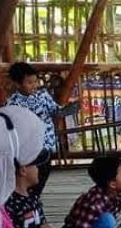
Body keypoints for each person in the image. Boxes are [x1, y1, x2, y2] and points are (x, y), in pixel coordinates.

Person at [5, 62, 77, 196]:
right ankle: (30, 200)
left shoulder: (42, 95)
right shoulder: (12, 104)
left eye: (35, 81)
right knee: (30, 179)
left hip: (47, 144)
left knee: (42, 176)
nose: (34, 86)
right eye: (29, 83)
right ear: (17, 84)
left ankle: (34, 199)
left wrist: (67, 110)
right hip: (28, 149)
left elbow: (55, 111)